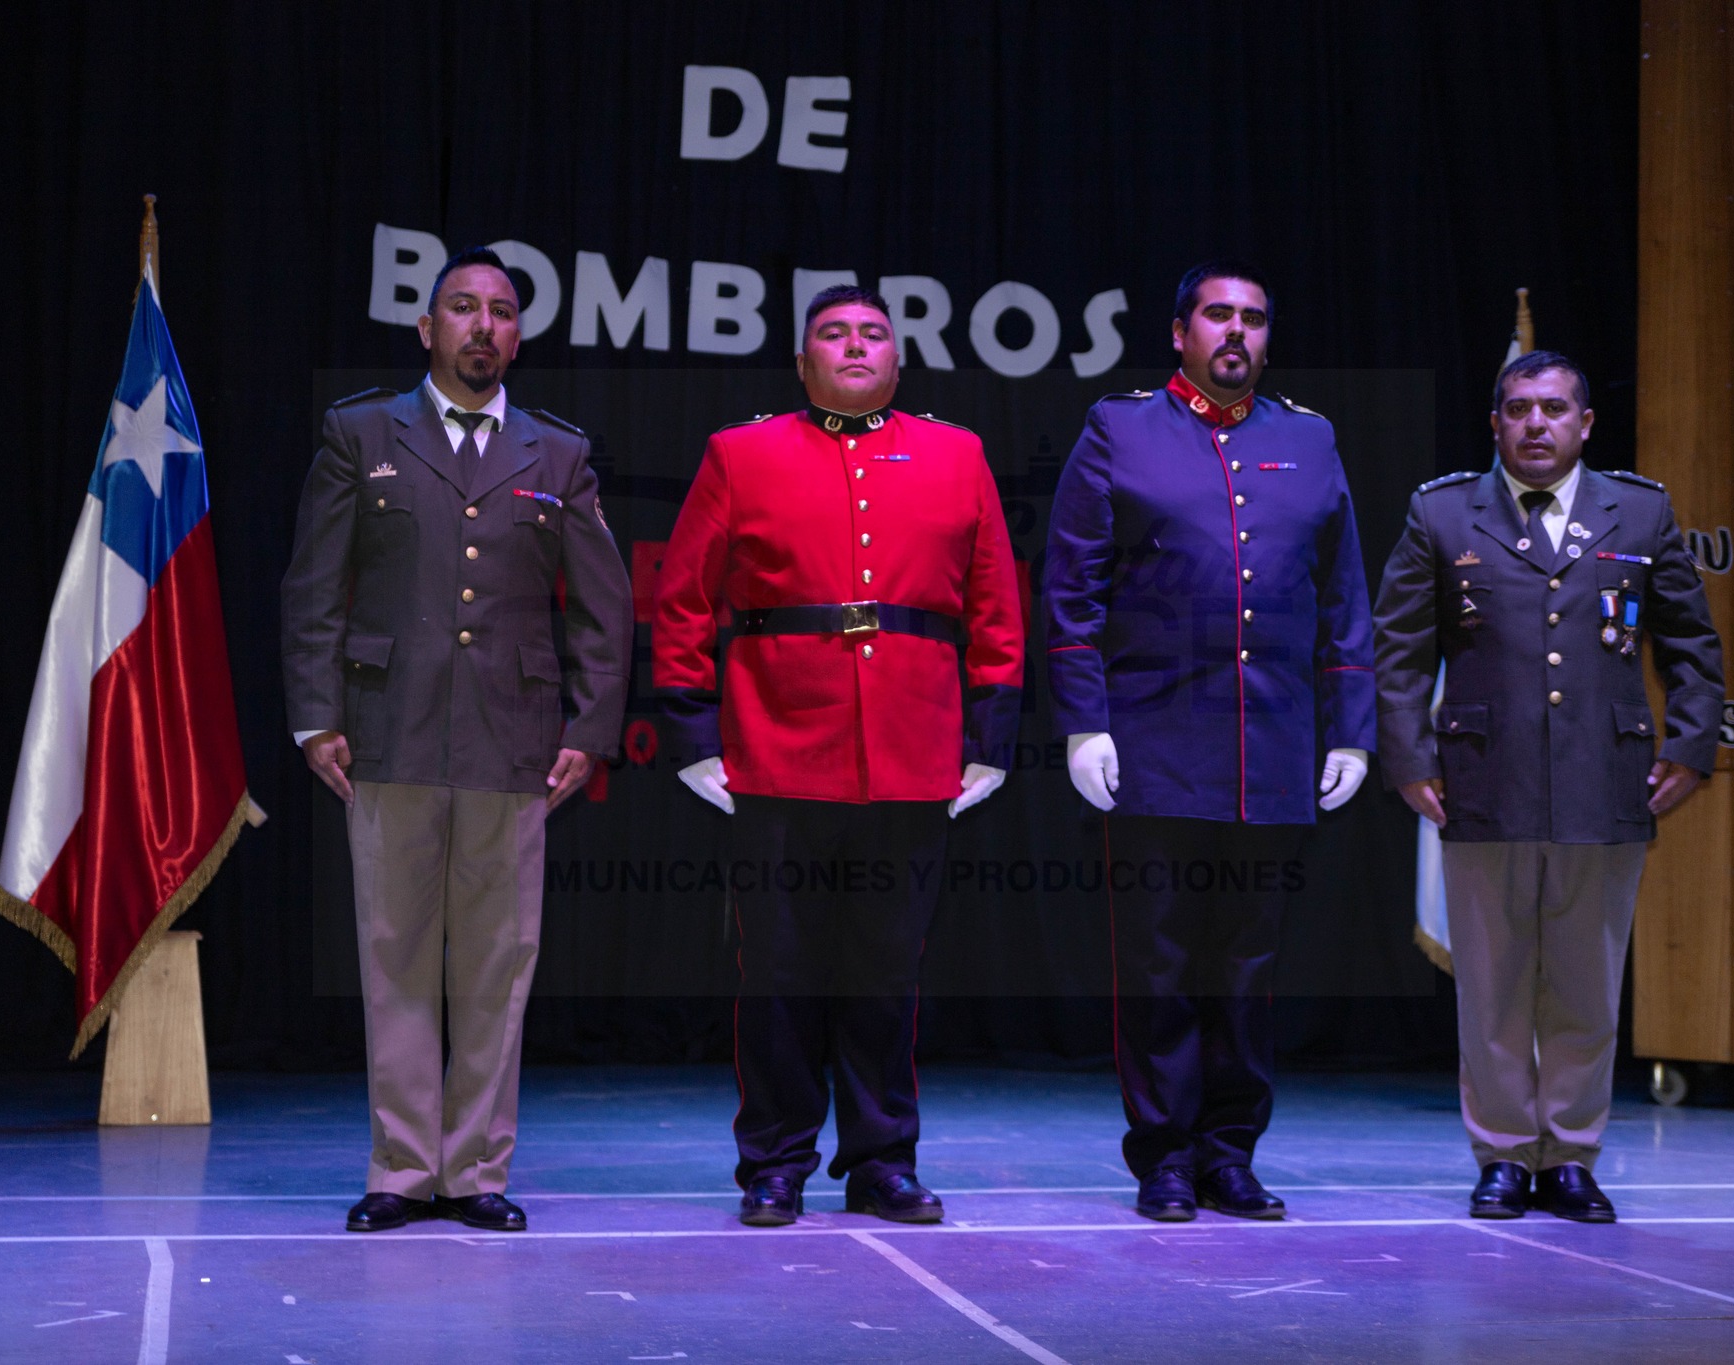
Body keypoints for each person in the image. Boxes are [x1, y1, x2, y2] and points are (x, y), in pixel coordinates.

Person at [652, 284, 1026, 1227]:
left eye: (872, 333)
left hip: (912, 752)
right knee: (777, 972)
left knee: (885, 972)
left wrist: (991, 740)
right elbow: (683, 601)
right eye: (833, 333)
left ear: (899, 360)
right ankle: (774, 1160)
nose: (854, 345)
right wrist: (696, 736)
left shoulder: (958, 453)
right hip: (776, 750)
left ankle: (880, 1160)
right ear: (802, 359)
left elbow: (994, 606)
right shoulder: (742, 454)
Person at [280, 247, 633, 1233]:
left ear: (517, 335)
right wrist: (317, 716)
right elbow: (313, 587)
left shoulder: (554, 453)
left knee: (494, 960)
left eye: (502, 311)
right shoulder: (361, 432)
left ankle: (475, 1171)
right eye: (462, 308)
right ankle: (401, 1169)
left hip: (510, 741)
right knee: (393, 955)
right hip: (385, 730)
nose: (483, 325)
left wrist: (590, 727)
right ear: (426, 329)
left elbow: (604, 610)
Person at [1042, 262, 1376, 1223]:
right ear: (1180, 330)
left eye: (1254, 319)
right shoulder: (1122, 428)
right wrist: (1083, 721)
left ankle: (1230, 1152)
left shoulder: (1307, 439)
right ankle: (1164, 1156)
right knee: (1158, 967)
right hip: (1153, 742)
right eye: (1218, 314)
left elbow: (1344, 593)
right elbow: (1072, 591)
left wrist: (1349, 726)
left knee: (1246, 970)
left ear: (1269, 337)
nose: (1237, 331)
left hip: (1271, 748)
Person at [1373, 350, 1723, 1222]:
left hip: (1607, 781)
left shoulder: (1637, 512)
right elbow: (1399, 651)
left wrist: (1689, 745)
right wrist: (1410, 757)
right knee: (1492, 985)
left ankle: (1568, 1154)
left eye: (1555, 409)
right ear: (1495, 423)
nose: (1537, 424)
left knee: (1584, 981)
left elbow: (1692, 644)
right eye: (1520, 409)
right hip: (1482, 781)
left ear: (1585, 424)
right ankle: (1500, 1153)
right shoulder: (1444, 512)